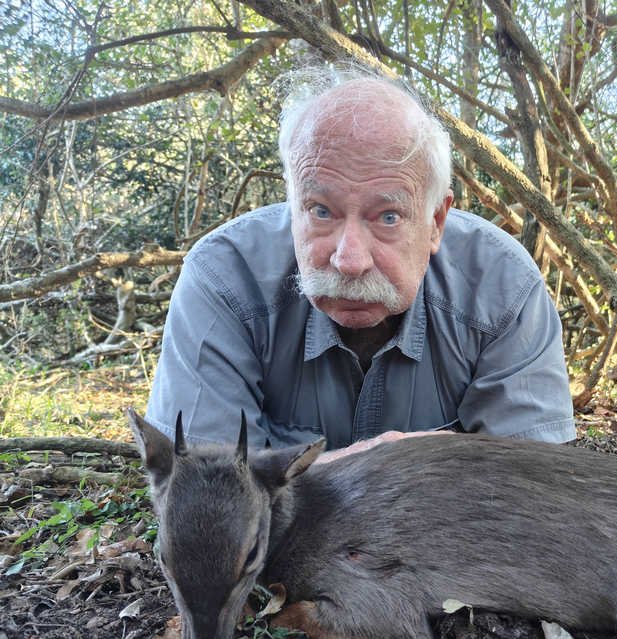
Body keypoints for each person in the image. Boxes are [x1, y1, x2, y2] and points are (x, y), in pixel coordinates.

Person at [144, 65, 575, 452]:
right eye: (320, 211)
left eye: (387, 216)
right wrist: (401, 469)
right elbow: (202, 491)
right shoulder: (223, 278)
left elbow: (537, 491)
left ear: (436, 221)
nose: (349, 261)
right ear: (291, 206)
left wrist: (313, 480)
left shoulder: (503, 287)